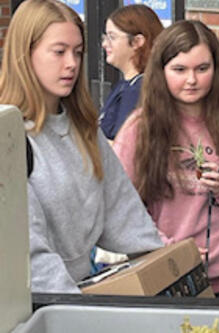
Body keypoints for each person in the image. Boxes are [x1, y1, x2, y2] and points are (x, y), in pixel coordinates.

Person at [113, 20, 219, 298]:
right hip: (168, 279)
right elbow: (120, 211)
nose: (192, 80)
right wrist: (173, 251)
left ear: (217, 69)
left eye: (202, 69)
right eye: (180, 70)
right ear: (161, 72)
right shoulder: (138, 130)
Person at [0, 0, 164, 293]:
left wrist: (166, 267)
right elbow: (31, 257)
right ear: (25, 54)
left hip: (77, 294)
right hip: (32, 304)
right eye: (59, 52)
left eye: (77, 52)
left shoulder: (84, 128)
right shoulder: (8, 137)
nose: (72, 64)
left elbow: (123, 214)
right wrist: (79, 312)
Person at [99, 4, 163, 141]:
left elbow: (122, 147)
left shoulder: (138, 90)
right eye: (105, 37)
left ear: (137, 42)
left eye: (112, 37)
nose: (105, 44)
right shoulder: (127, 84)